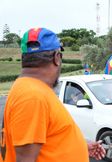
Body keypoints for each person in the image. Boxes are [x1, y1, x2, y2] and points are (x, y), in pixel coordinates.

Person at [1, 28, 105, 162]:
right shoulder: (33, 96)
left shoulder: (31, 89)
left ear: (23, 58)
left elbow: (45, 140)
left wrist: (79, 146)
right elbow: (24, 159)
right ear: (57, 57)